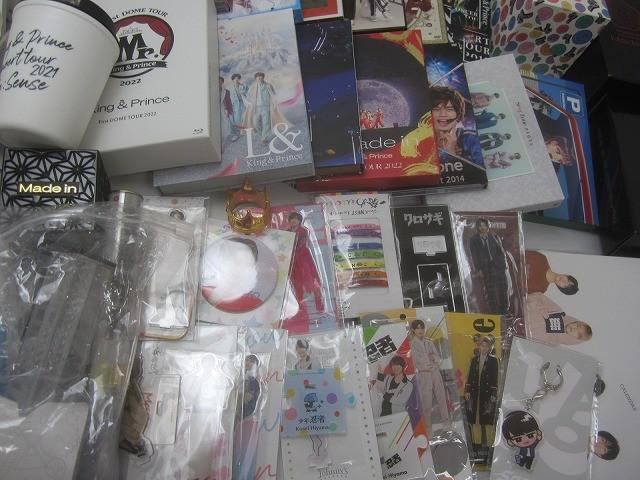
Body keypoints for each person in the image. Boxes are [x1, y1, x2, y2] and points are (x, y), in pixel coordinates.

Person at [409, 320, 450, 432]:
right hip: (423, 375)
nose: (420, 330)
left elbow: (437, 358)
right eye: (417, 328)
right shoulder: (412, 344)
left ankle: (446, 423)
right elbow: (415, 362)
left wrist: (434, 359)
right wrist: (429, 361)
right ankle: (428, 427)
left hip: (435, 372)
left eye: (422, 327)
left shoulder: (429, 342)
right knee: (426, 401)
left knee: (441, 397)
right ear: (413, 330)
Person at [430, 85, 484, 168]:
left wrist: (451, 153)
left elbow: (478, 172)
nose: (443, 114)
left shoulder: (472, 139)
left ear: (458, 115)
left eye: (450, 109)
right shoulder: (420, 140)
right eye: (436, 109)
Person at [465, 336, 499, 456]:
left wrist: (494, 394)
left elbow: (495, 378)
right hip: (475, 394)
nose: (484, 348)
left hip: (487, 394)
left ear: (490, 348)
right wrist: (467, 390)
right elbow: (470, 376)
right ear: (479, 346)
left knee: (488, 420)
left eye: (486, 346)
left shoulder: (493, 361)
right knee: (475, 420)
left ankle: (490, 445)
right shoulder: (474, 360)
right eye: (482, 346)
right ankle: (476, 444)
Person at [469, 218, 510, 314]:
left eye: (484, 225)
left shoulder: (494, 236)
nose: (482, 227)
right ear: (477, 227)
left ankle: (504, 310)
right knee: (491, 291)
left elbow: (501, 252)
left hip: (499, 267)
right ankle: (495, 312)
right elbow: (474, 256)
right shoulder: (474, 240)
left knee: (503, 289)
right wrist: (478, 269)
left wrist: (503, 265)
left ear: (488, 226)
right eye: (480, 226)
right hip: (486, 269)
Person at [287, 212, 324, 315]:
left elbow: (299, 244)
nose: (293, 220)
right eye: (292, 219)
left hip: (303, 259)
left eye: (296, 218)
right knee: (296, 285)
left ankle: (320, 307)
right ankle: (299, 310)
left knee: (312, 282)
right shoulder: (287, 232)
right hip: (293, 261)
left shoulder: (303, 231)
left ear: (300, 220)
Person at [525, 292, 593, 345]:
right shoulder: (557, 311)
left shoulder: (552, 343)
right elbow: (539, 296)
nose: (575, 329)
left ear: (577, 339)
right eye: (578, 326)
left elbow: (527, 347)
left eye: (578, 333)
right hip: (520, 310)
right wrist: (532, 308)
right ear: (575, 322)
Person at [244, 72, 287, 143]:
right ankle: (262, 135)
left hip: (266, 107)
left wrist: (274, 103)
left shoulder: (268, 85)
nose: (259, 78)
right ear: (256, 78)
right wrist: (251, 102)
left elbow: (273, 94)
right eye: (258, 77)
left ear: (263, 77)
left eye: (261, 76)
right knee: (255, 122)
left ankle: (264, 137)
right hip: (256, 107)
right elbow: (248, 96)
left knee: (266, 123)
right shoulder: (253, 86)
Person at [229, 73, 248, 141]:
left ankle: (243, 130)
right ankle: (236, 134)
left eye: (238, 78)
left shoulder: (243, 86)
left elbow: (247, 92)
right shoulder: (230, 88)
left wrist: (243, 92)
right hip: (235, 104)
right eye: (235, 78)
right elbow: (229, 97)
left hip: (242, 103)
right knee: (236, 119)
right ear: (233, 79)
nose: (236, 80)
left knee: (244, 117)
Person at [220, 76, 233, 141]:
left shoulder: (226, 91)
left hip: (223, 108)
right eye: (218, 82)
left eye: (221, 82)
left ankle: (226, 136)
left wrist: (228, 110)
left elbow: (228, 101)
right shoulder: (213, 90)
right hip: (214, 109)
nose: (219, 83)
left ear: (222, 82)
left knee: (225, 121)